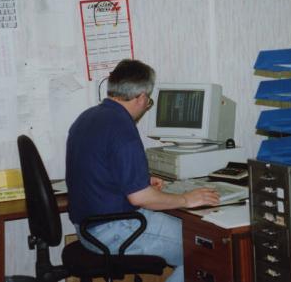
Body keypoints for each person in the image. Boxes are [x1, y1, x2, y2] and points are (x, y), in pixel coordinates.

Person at [65, 59, 219, 282]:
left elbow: (99, 172)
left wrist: (142, 181)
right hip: (114, 231)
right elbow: (140, 198)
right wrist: (186, 199)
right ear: (141, 97)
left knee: (202, 246)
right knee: (209, 251)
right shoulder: (122, 127)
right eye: (148, 101)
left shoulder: (87, 118)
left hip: (87, 229)